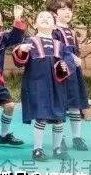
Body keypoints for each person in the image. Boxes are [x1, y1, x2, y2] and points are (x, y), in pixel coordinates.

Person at [13, 11, 74, 161]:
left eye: (49, 18)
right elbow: (19, 62)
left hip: (57, 86)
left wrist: (66, 65)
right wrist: (21, 51)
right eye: (41, 17)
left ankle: (57, 149)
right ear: (35, 24)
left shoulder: (60, 45)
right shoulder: (29, 42)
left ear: (54, 25)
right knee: (41, 116)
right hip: (37, 84)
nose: (45, 19)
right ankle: (37, 149)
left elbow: (69, 60)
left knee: (59, 117)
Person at [47, 0, 89, 151]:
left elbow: (75, 50)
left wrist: (76, 58)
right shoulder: (53, 31)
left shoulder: (71, 31)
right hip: (60, 72)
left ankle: (77, 137)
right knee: (60, 104)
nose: (68, 12)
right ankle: (61, 139)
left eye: (69, 9)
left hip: (74, 73)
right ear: (54, 13)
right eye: (63, 9)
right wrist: (71, 58)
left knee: (75, 103)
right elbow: (56, 51)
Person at [0, 6, 28, 147]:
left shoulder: (3, 37)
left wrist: (17, 18)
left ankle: (4, 135)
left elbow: (17, 36)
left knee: (9, 106)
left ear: (1, 22)